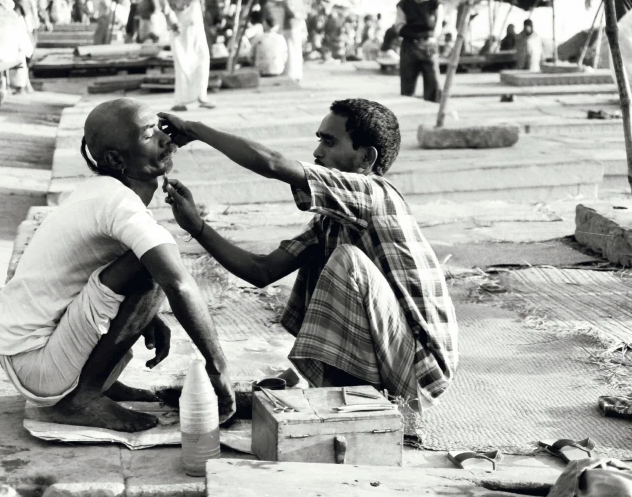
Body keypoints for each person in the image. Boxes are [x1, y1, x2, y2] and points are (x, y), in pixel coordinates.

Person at [158, 98, 458, 407]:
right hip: (393, 360)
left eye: (329, 141)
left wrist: (195, 130)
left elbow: (274, 164)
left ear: (366, 158)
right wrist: (196, 225)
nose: (317, 153)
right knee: (334, 260)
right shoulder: (331, 221)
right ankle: (341, 394)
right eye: (319, 141)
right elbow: (262, 271)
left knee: (347, 262)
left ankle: (347, 398)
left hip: (418, 374)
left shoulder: (374, 194)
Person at [0, 98, 236, 431]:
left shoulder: (100, 191)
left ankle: (97, 383)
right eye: (150, 135)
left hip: (26, 354)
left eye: (162, 129)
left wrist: (145, 315)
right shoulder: (118, 203)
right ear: (115, 159)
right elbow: (177, 283)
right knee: (153, 270)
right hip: (36, 365)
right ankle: (83, 397)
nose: (167, 140)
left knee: (146, 267)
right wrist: (217, 365)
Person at [159, 0, 215, 111]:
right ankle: (182, 100)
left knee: (200, 55)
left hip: (190, 15)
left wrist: (181, 6)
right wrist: (171, 16)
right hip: (178, 16)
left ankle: (201, 95)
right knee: (181, 57)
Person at [394, 0, 443, 103]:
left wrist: (430, 39)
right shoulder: (404, 4)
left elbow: (438, 26)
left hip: (429, 46)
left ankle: (433, 110)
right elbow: (399, 26)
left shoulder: (434, 3)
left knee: (433, 82)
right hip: (409, 47)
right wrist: (415, 37)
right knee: (407, 84)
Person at [281, 0, 307, 81]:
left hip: (289, 26)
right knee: (297, 50)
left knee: (290, 50)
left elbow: (291, 13)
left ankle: (291, 73)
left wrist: (296, 15)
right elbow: (304, 14)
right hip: (298, 26)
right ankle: (298, 72)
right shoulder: (299, 0)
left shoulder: (286, 0)